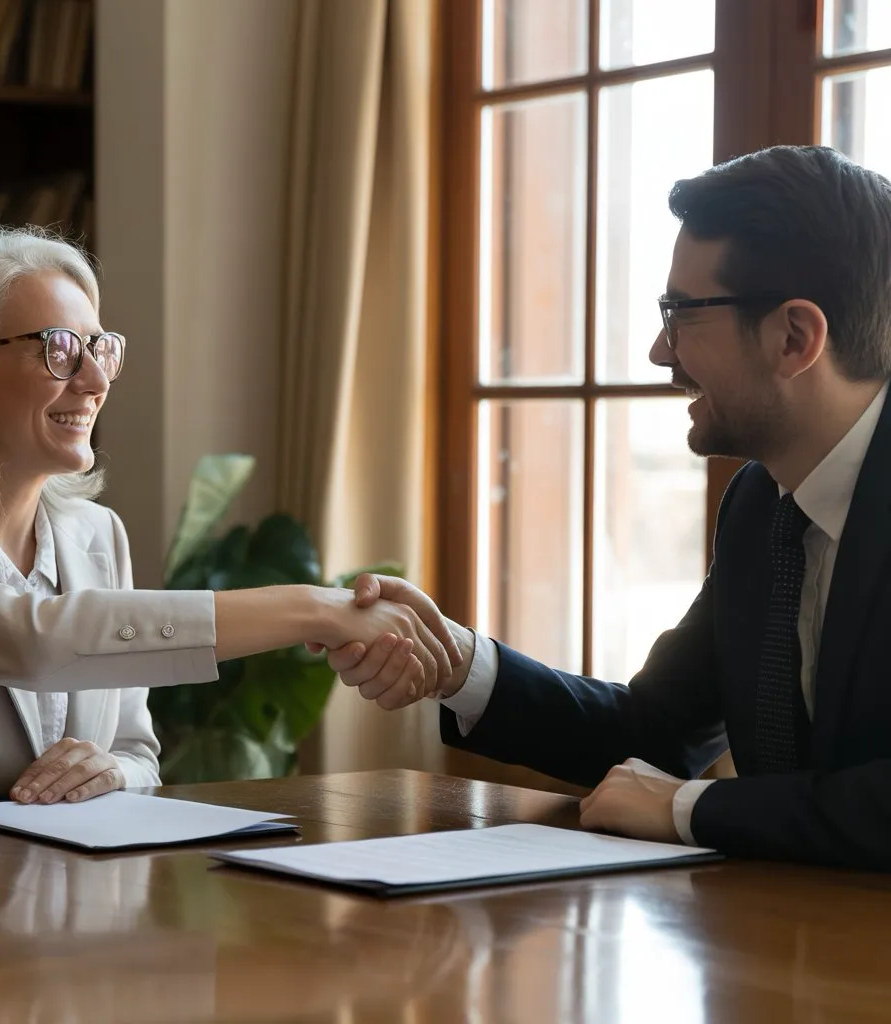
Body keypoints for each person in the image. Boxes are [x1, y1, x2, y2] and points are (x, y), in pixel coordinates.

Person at [324, 145, 891, 870]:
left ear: (794, 337)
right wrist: (460, 664)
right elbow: (661, 733)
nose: (661, 351)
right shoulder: (762, 505)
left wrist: (687, 807)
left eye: (681, 314)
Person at [0, 226, 460, 808]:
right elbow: (30, 637)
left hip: (58, 892)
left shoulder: (97, 535)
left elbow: (136, 752)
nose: (96, 381)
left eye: (98, 349)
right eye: (59, 351)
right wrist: (317, 608)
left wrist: (112, 771)